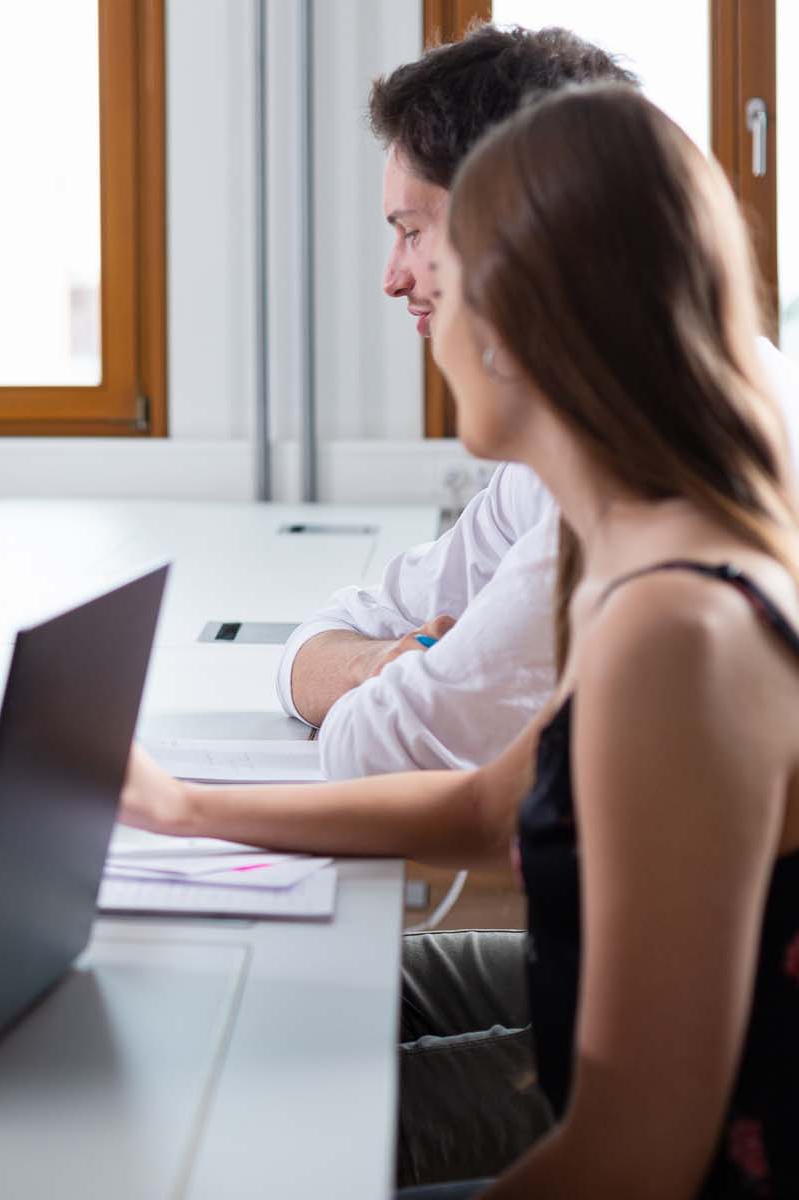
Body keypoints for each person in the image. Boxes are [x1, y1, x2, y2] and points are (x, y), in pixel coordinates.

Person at [124, 85, 799, 1197]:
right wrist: (176, 807)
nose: (418, 297)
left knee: (229, 1130)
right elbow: (494, 804)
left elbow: (631, 1160)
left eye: (444, 268)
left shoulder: (674, 628)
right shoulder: (630, 544)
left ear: (538, 316)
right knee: (233, 1018)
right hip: (611, 1027)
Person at [279, 24, 799, 780]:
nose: (395, 279)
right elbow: (366, 632)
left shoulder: (637, 508)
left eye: (415, 233)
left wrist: (407, 676)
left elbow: (383, 747)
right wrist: (381, 667)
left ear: (517, 233)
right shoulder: (602, 421)